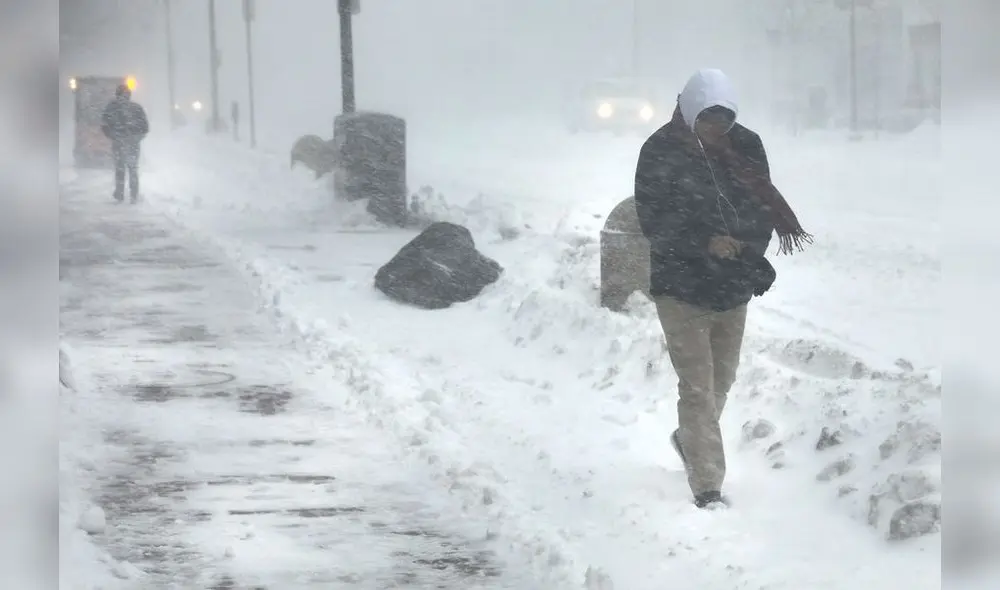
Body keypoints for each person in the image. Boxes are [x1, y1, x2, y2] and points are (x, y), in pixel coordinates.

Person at [634, 69, 812, 509]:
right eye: (708, 120)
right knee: (697, 386)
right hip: (680, 285)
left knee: (721, 382)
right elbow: (654, 221)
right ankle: (707, 485)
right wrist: (704, 243)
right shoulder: (660, 150)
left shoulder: (746, 145)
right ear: (690, 112)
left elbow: (761, 207)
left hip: (730, 285)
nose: (716, 129)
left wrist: (748, 253)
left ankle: (689, 439)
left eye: (724, 120)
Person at [101, 83, 149, 203]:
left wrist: (113, 136)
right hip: (133, 145)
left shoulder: (111, 108)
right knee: (132, 169)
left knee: (120, 169)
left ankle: (120, 194)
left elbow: (105, 125)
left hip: (119, 144)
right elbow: (145, 127)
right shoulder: (137, 108)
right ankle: (133, 195)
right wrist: (136, 138)